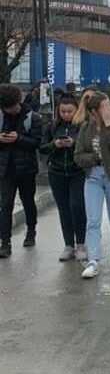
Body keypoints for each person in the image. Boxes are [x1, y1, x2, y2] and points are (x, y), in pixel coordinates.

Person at [73, 92, 110, 278]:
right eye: (105, 106)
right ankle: (93, 260)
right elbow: (78, 155)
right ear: (94, 111)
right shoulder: (85, 128)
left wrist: (108, 124)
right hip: (93, 176)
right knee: (93, 219)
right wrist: (95, 158)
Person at [39, 97, 86, 261]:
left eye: (69, 111)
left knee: (77, 206)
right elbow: (42, 148)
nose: (66, 115)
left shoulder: (82, 126)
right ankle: (68, 244)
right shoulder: (52, 126)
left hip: (77, 171)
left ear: (76, 110)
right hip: (57, 171)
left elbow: (87, 146)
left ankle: (81, 243)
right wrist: (55, 144)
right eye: (63, 111)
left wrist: (73, 144)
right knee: (64, 208)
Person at [0, 84, 43, 258]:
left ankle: (31, 231)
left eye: (12, 108)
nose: (10, 111)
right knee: (5, 204)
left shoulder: (32, 117)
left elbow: (37, 142)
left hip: (26, 168)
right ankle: (5, 242)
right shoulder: (1, 116)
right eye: (5, 108)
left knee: (28, 201)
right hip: (5, 168)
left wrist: (18, 138)